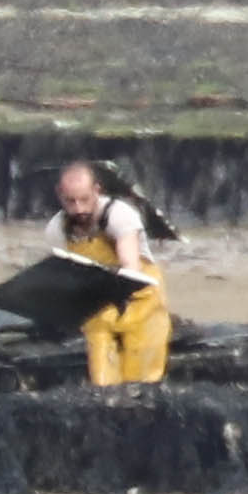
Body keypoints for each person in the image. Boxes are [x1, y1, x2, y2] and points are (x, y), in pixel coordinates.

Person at [51, 159, 171, 384]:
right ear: (59, 194)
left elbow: (130, 266)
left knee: (143, 378)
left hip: (140, 299)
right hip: (99, 307)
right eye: (71, 201)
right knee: (103, 380)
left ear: (96, 190)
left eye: (84, 199)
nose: (79, 209)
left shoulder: (119, 216)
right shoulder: (57, 229)